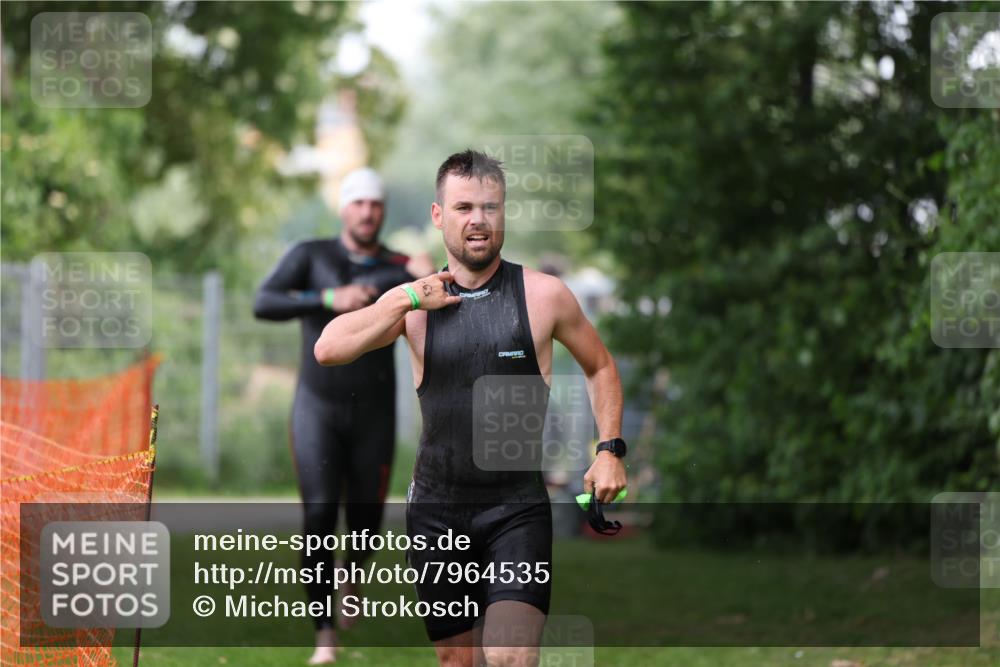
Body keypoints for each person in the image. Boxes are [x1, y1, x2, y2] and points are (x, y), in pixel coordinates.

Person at [314, 150, 628, 667]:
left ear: (503, 214)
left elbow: (600, 366)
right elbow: (328, 348)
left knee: (508, 655)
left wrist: (610, 448)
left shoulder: (543, 296)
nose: (478, 220)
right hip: (436, 510)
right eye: (463, 207)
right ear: (439, 216)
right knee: (460, 663)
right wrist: (405, 299)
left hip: (515, 508)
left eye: (489, 207)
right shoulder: (416, 305)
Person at [253, 167, 434, 664]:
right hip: (317, 408)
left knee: (366, 518)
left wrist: (425, 269)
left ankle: (353, 570)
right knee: (316, 516)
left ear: (383, 212)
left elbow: (442, 296)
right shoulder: (311, 256)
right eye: (358, 203)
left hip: (374, 410)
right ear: (344, 208)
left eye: (375, 204)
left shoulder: (400, 266)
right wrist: (325, 299)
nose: (367, 212)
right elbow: (263, 302)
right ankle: (325, 636)